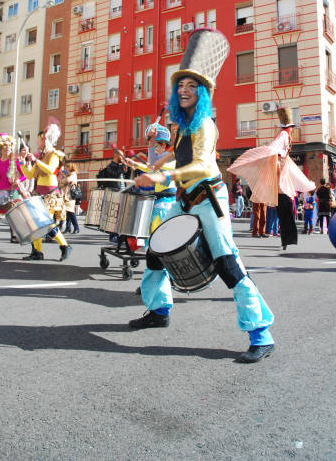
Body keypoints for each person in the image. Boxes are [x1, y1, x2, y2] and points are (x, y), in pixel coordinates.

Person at [129, 28, 275, 363]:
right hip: (184, 199)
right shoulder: (181, 126)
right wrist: (151, 167)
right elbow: (174, 157)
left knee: (228, 264)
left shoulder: (205, 125)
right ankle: (159, 309)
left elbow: (200, 166)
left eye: (191, 85)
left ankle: (261, 333)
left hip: (208, 199)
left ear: (203, 92)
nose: (183, 90)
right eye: (180, 85)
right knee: (156, 254)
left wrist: (162, 175)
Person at [228, 107, 315, 250]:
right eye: (292, 127)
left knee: (285, 206)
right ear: (289, 127)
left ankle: (286, 239)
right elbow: (275, 148)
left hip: (283, 171)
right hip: (280, 172)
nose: (293, 129)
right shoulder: (284, 135)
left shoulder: (285, 135)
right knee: (285, 205)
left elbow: (277, 150)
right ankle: (286, 239)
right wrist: (274, 155)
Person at [20, 123, 72, 261]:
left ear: (45, 139)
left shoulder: (54, 154)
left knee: (46, 223)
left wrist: (35, 160)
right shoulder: (41, 156)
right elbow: (30, 175)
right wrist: (23, 163)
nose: (37, 142)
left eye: (39, 139)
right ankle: (37, 251)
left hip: (50, 194)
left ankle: (65, 246)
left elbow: (50, 170)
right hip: (39, 193)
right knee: (37, 223)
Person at [0, 133, 26, 254]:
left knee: (20, 221)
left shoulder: (13, 160)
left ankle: (35, 247)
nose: (7, 148)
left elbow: (23, 176)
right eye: (5, 146)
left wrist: (18, 180)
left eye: (9, 146)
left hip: (10, 195)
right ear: (0, 147)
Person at [97, 149, 128, 243]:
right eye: (121, 155)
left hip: (123, 192)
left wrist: (127, 168)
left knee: (121, 215)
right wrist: (122, 166)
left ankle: (120, 235)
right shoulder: (110, 166)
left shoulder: (120, 166)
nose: (123, 157)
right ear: (116, 155)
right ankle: (112, 236)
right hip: (114, 193)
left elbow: (125, 175)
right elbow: (115, 175)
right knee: (114, 215)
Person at [60, 163, 80, 234]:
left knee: (71, 212)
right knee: (67, 212)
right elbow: (61, 183)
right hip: (66, 195)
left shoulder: (73, 174)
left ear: (71, 167)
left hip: (70, 196)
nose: (66, 168)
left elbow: (67, 180)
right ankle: (68, 228)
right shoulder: (68, 175)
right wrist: (63, 182)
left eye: (68, 167)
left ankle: (76, 227)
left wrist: (63, 180)